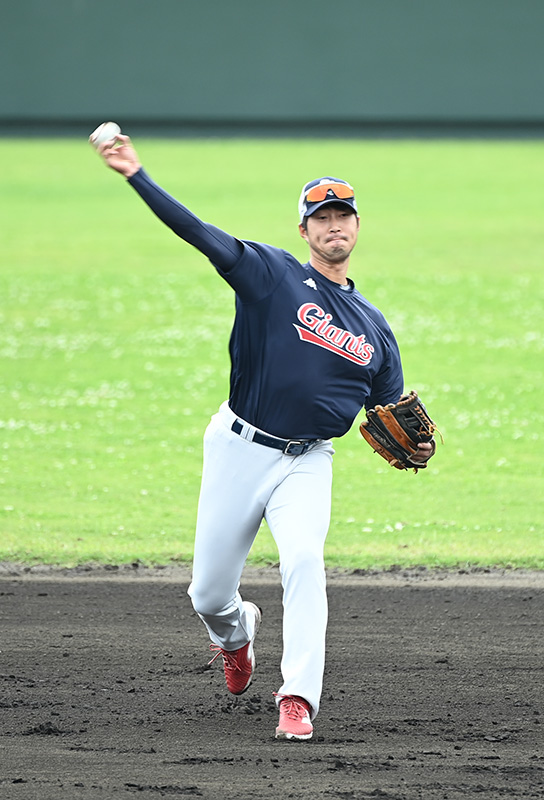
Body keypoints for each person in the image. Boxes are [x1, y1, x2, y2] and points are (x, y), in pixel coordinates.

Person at [96, 130, 433, 738]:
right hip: (238, 447)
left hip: (308, 462)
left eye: (344, 215)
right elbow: (196, 231)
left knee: (304, 560)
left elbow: (391, 409)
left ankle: (297, 698)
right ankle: (237, 636)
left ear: (357, 228)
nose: (335, 225)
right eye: (322, 216)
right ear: (304, 231)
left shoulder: (375, 329)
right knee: (208, 595)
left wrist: (415, 442)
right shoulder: (268, 275)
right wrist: (136, 174)